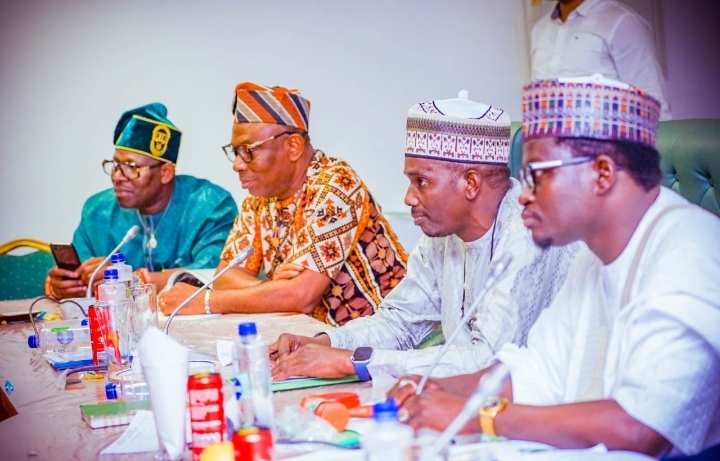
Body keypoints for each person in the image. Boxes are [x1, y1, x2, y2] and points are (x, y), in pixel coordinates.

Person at [389, 76, 720, 457]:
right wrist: (438, 388)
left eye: (537, 176)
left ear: (602, 173)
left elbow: (640, 429)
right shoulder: (592, 255)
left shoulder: (689, 251)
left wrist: (480, 415)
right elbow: (534, 370)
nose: (523, 196)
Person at [269, 92, 577, 382]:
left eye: (421, 182)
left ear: (470, 184)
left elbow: (487, 362)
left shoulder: (528, 233)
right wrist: (322, 343)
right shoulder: (445, 232)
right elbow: (400, 322)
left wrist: (351, 361)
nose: (409, 197)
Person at [158, 83, 407, 325]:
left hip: (385, 336)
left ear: (293, 146)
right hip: (314, 337)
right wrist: (273, 289)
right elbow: (225, 277)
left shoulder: (336, 185)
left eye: (248, 151)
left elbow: (301, 297)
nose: (237, 164)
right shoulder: (259, 199)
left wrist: (205, 301)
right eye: (235, 152)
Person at [47, 103, 238, 298]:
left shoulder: (210, 205)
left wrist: (129, 279)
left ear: (165, 173)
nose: (117, 176)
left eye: (131, 167)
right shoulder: (97, 211)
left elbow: (214, 275)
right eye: (115, 165)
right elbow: (81, 280)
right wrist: (64, 286)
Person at [531, 0, 671, 120]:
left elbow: (654, 107)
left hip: (606, 141)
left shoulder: (622, 21)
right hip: (546, 140)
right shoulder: (540, 28)